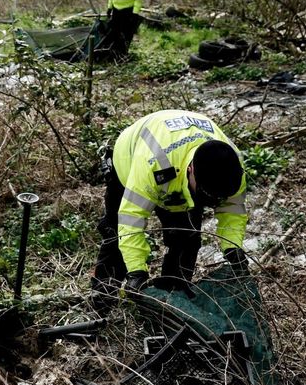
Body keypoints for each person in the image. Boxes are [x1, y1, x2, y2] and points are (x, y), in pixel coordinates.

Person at [92, 110, 249, 305]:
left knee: (186, 240)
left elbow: (232, 211)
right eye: (207, 196)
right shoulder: (154, 163)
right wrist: (137, 271)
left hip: (179, 177)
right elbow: (131, 218)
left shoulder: (234, 169)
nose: (214, 204)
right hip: (131, 160)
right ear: (191, 170)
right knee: (115, 234)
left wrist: (233, 249)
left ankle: (171, 303)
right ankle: (102, 300)